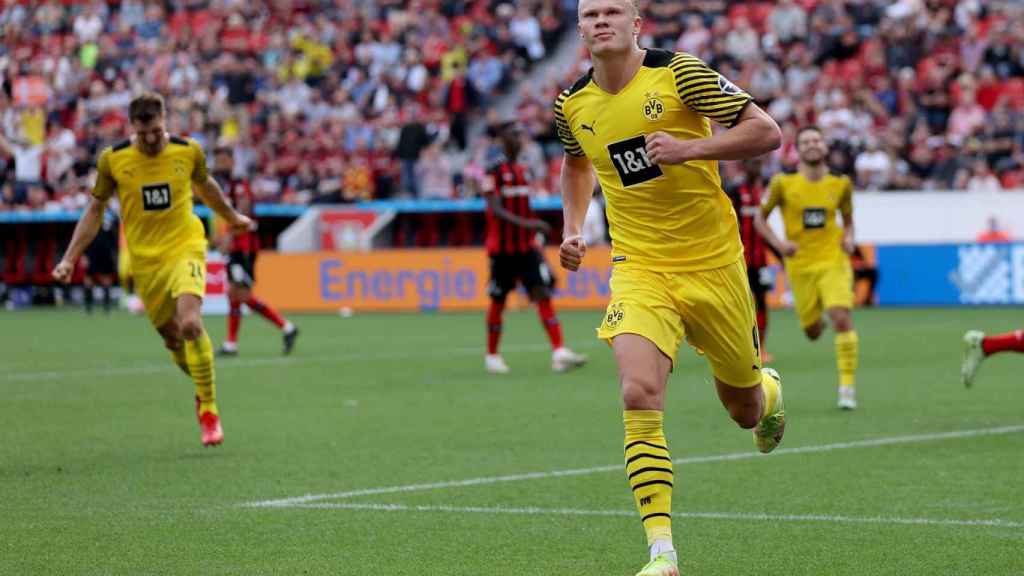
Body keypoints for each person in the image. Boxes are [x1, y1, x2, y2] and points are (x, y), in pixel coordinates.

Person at [554, 2, 784, 575]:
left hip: (713, 264)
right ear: (580, 29)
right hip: (639, 265)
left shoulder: (681, 73)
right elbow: (577, 164)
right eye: (590, 13)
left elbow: (766, 131)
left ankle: (767, 391)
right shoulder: (571, 104)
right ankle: (662, 552)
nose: (600, 20)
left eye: (613, 11)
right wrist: (572, 228)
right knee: (637, 392)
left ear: (636, 25)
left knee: (744, 410)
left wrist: (690, 148)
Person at [52, 93, 253, 447]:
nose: (150, 139)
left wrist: (232, 217)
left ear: (165, 121)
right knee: (173, 338)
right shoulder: (113, 160)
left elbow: (207, 187)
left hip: (185, 245)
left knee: (191, 323)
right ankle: (201, 388)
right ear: (133, 127)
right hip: (146, 261)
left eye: (156, 131)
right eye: (143, 132)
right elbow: (95, 210)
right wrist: (69, 257)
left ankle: (208, 409)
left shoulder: (187, 150)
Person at [757, 126, 860, 410]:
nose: (812, 145)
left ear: (825, 147)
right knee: (813, 331)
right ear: (798, 150)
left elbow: (848, 220)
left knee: (841, 317)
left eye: (817, 140)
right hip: (800, 266)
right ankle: (817, 320)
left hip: (833, 261)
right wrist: (780, 245)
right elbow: (759, 220)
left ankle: (847, 387)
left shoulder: (841, 183)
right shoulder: (782, 183)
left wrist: (849, 238)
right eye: (806, 142)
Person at [482, 119, 587, 374]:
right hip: (503, 250)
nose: (519, 139)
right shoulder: (493, 171)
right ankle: (492, 356)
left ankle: (559, 352)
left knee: (541, 293)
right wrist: (530, 224)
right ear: (503, 139)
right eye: (513, 134)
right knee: (498, 299)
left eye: (520, 134)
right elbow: (495, 209)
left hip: (526, 248)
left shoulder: (523, 169)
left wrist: (531, 230)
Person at [211, 146, 298, 357]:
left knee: (241, 295)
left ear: (232, 161)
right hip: (237, 247)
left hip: (245, 249)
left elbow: (244, 214)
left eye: (222, 161)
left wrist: (228, 238)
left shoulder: (240, 185)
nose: (219, 165)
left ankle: (286, 327)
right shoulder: (231, 185)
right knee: (234, 294)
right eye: (217, 161)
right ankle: (231, 343)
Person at [724, 156, 775, 364]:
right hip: (739, 260)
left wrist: (779, 254)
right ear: (744, 166)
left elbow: (765, 227)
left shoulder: (764, 190)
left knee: (762, 302)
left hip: (760, 260)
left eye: (760, 163)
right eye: (753, 163)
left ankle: (761, 348)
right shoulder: (735, 190)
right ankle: (737, 347)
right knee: (737, 305)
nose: (757, 167)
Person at [81, 204, 119, 314]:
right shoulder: (89, 213)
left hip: (106, 252)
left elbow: (114, 237)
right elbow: (83, 235)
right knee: (88, 279)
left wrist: (115, 253)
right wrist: (84, 254)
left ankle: (107, 308)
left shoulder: (112, 215)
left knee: (106, 280)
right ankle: (88, 307)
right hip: (91, 251)